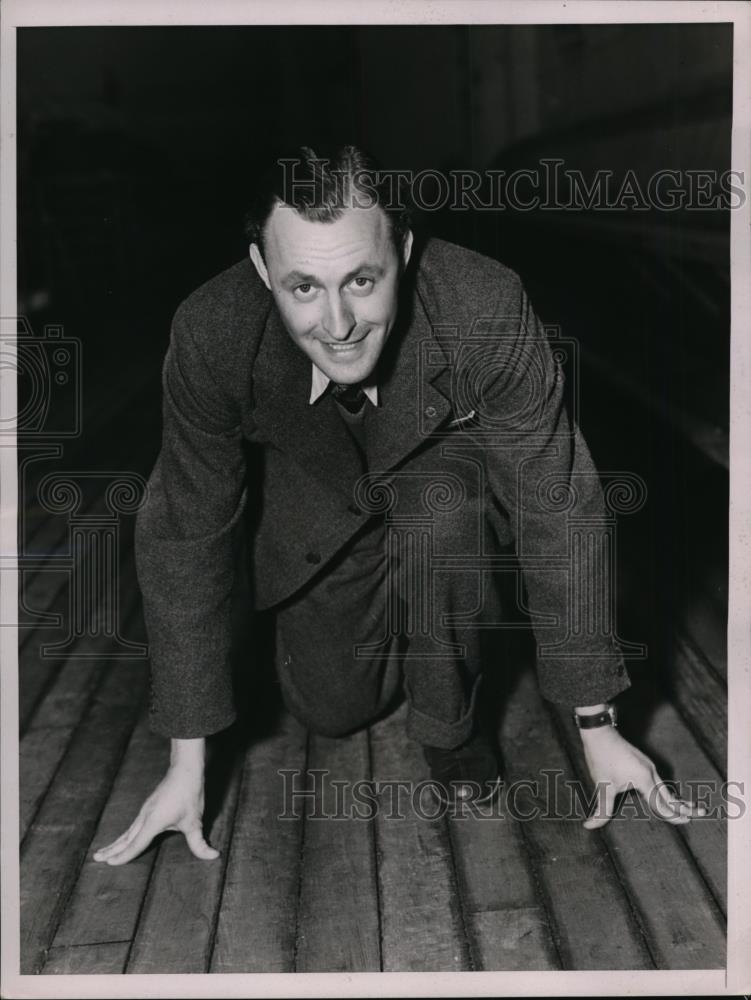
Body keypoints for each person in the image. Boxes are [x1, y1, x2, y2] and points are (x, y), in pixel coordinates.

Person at [93, 145, 703, 867]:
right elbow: (186, 532)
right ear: (261, 272)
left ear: (404, 253)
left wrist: (596, 726)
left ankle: (451, 732)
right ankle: (399, 631)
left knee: (441, 511)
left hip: (438, 487)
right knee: (334, 711)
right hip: (310, 507)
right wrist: (186, 762)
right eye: (303, 288)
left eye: (360, 279)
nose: (338, 322)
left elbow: (557, 503)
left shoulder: (485, 304)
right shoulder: (211, 332)